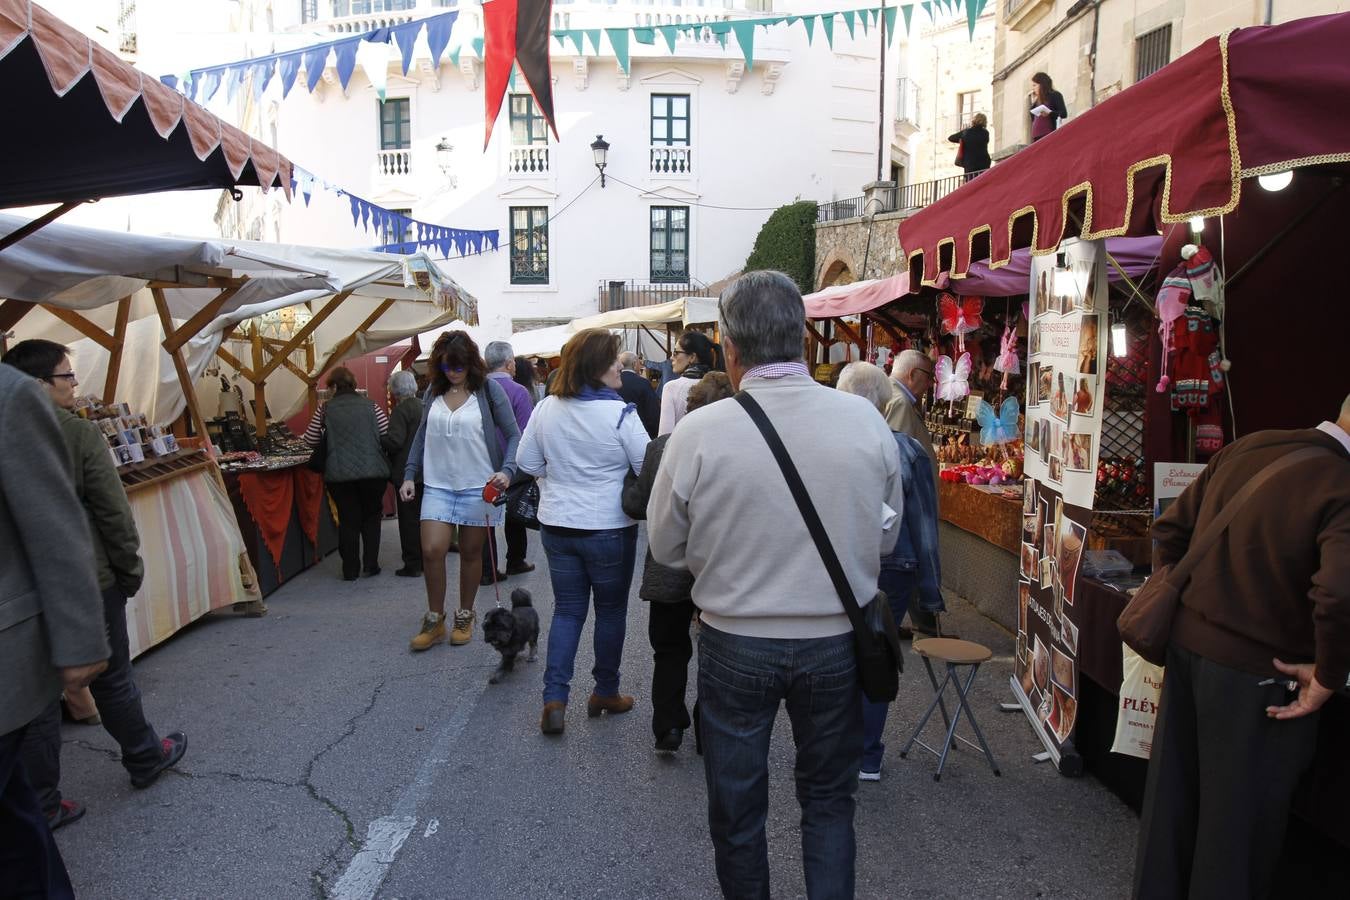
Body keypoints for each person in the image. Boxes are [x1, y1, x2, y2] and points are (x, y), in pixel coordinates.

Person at [648, 271, 902, 900]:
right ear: (804, 342)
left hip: (736, 641)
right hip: (837, 640)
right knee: (828, 803)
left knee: (737, 812)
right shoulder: (865, 423)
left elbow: (665, 548)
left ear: (730, 350)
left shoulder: (699, 433)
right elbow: (886, 539)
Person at [1133, 396, 1350, 899]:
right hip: (1261, 672)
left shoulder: (1252, 445)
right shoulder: (1341, 485)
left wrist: (1199, 602)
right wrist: (1326, 678)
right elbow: (1339, 594)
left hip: (1189, 652)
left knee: (1171, 811)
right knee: (1234, 833)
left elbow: (1169, 528)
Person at [4, 341, 188, 832]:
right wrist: (130, 570)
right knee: (112, 677)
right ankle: (144, 756)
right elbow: (112, 511)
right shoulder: (76, 433)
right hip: (84, 579)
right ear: (38, 384)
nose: (73, 387)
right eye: (67, 378)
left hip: (21, 591)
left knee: (39, 698)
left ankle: (42, 800)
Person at [0, 357, 110, 898]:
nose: (75, 385)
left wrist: (80, 636)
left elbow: (55, 522)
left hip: (9, 653)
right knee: (16, 822)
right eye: (68, 377)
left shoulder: (9, 396)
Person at [517, 329, 651, 735]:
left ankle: (554, 699)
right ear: (596, 367)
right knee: (610, 612)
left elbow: (527, 461)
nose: (619, 368)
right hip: (608, 527)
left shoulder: (546, 409)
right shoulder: (619, 414)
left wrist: (562, 475)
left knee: (567, 611)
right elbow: (648, 466)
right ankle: (605, 691)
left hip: (558, 524)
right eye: (613, 360)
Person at [836, 362, 943, 781]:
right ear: (883, 403)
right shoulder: (906, 449)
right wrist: (930, 593)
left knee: (839, 651)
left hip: (841, 562)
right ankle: (867, 755)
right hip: (895, 565)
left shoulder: (823, 443)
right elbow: (924, 527)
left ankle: (837, 745)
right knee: (876, 653)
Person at [622, 371, 734, 753]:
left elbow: (636, 504)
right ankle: (709, 728)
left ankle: (668, 724)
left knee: (669, 648)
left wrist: (623, 485)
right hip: (721, 565)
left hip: (670, 565)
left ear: (690, 407)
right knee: (717, 650)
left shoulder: (662, 447)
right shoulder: (742, 448)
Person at [401, 332, 521, 650]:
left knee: (471, 554)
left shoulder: (488, 390)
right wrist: (410, 475)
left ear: (471, 364)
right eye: (447, 367)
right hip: (438, 485)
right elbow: (421, 436)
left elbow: (514, 434)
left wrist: (507, 470)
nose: (453, 372)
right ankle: (434, 618)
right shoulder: (432, 393)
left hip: (478, 486)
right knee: (432, 550)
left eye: (459, 367)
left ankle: (464, 615)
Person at [303, 367, 390, 581]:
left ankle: (350, 570)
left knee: (348, 520)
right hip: (373, 472)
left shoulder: (325, 409)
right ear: (353, 384)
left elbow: (309, 440)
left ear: (332, 387)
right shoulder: (371, 406)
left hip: (339, 475)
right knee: (371, 518)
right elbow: (385, 433)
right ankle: (371, 565)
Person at [482, 341, 535, 583]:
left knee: (484, 515)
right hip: (511, 463)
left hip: (482, 461)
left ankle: (488, 568)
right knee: (515, 511)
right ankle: (515, 560)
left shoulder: (477, 390)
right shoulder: (518, 391)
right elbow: (525, 432)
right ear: (509, 363)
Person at [382, 369, 424, 577]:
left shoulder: (401, 410)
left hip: (407, 472)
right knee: (423, 518)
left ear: (394, 390)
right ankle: (426, 558)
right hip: (426, 471)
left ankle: (413, 563)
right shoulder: (424, 405)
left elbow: (396, 441)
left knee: (408, 521)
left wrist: (380, 439)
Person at [657, 331, 716, 436]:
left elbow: (664, 437)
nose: (671, 358)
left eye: (675, 352)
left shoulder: (671, 388)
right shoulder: (719, 385)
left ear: (692, 357)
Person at [617, 350, 660, 438]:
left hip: (616, 431)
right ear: (634, 364)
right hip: (639, 432)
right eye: (639, 363)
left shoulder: (613, 382)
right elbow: (653, 412)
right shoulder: (643, 383)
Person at [948, 112, 991, 181]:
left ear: (974, 120)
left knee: (971, 185)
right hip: (984, 163)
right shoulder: (985, 133)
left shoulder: (966, 132)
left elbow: (950, 138)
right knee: (983, 185)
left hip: (970, 164)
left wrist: (962, 139)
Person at [1030, 71, 1068, 142]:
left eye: (1035, 85)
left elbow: (1063, 114)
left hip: (1049, 134)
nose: (1033, 89)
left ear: (1042, 85)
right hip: (1036, 138)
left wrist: (1050, 113)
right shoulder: (1035, 103)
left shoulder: (1055, 95)